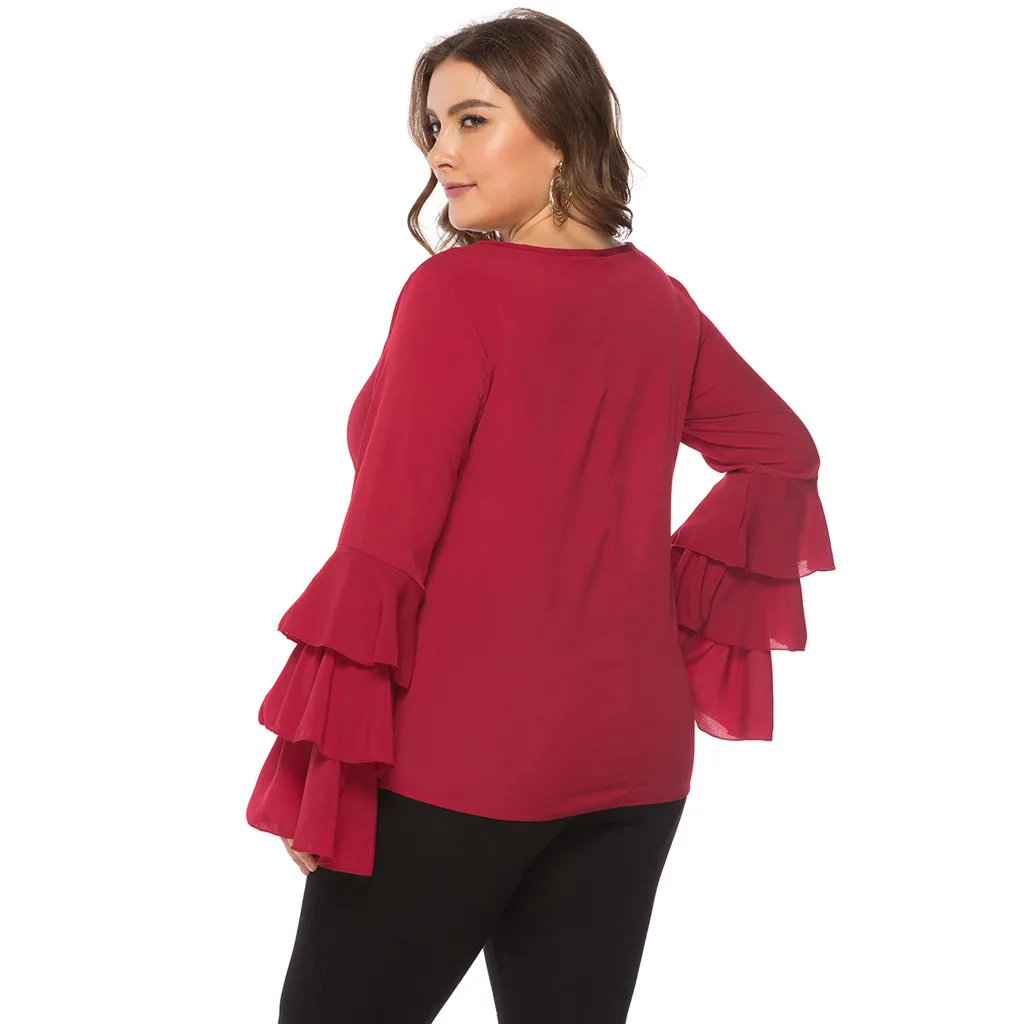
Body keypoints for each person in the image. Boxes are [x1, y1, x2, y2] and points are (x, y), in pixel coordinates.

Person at [245, 9, 835, 1023]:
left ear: (562, 128)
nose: (442, 152)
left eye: (474, 121)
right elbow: (782, 453)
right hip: (635, 757)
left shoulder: (455, 295)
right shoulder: (657, 301)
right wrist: (639, 599)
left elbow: (384, 545)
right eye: (433, 127)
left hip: (459, 756)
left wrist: (323, 766)